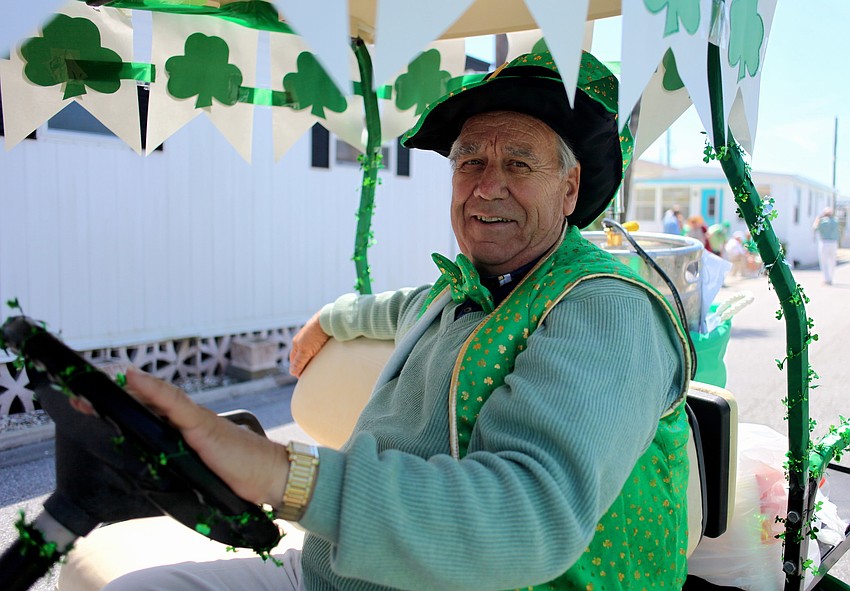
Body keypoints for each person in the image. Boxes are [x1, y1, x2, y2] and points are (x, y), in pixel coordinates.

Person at [99, 51, 691, 591]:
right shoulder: (461, 288)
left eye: (518, 162)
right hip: (330, 573)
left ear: (569, 189)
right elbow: (397, 306)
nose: (488, 185)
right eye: (470, 161)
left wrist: (282, 476)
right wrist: (332, 318)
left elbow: (530, 514)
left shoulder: (607, 307)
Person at [813, 207, 840, 284]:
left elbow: (815, 228)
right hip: (834, 243)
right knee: (832, 261)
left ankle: (826, 278)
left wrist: (817, 219)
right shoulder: (836, 221)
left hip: (824, 242)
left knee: (824, 261)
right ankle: (831, 278)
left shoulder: (822, 221)